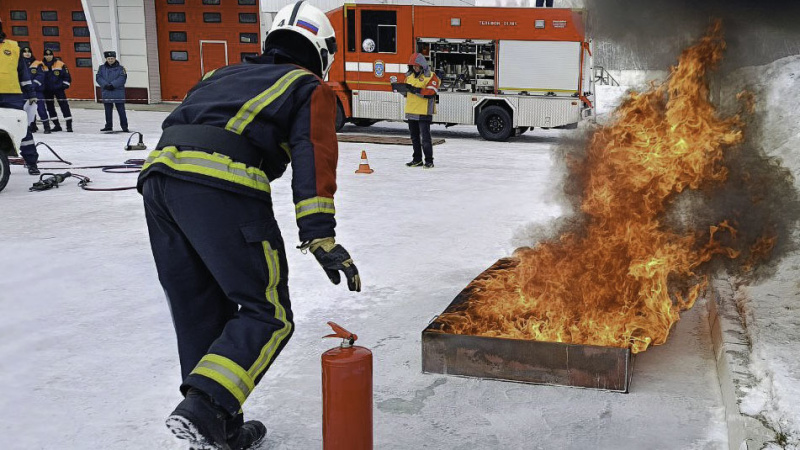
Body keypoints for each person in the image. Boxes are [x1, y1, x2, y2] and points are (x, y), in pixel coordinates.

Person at [137, 1, 360, 448]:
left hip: (158, 186)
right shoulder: (307, 85)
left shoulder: (218, 75)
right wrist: (319, 234)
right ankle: (204, 408)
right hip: (220, 185)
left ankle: (219, 427)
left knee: (200, 311)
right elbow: (313, 156)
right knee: (269, 314)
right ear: (322, 49)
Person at [0, 18, 40, 175]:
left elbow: (23, 73)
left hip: (12, 95)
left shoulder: (13, 47)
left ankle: (31, 162)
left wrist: (31, 94)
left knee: (21, 127)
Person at [403, 53, 440, 169]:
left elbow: (430, 92)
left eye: (417, 66)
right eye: (413, 66)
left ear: (422, 65)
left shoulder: (431, 76)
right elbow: (406, 93)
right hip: (411, 111)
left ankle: (429, 161)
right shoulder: (409, 77)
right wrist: (398, 88)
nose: (415, 68)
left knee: (425, 138)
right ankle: (417, 159)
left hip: (424, 112)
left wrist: (415, 89)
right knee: (414, 137)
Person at [41, 49, 73, 132]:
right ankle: (56, 125)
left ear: (52, 55)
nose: (48, 56)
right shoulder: (41, 65)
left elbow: (67, 76)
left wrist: (64, 86)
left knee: (64, 106)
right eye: (46, 55)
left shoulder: (60, 64)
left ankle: (69, 125)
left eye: (50, 55)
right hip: (47, 91)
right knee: (50, 108)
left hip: (59, 89)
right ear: (44, 56)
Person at [96, 51, 128, 132]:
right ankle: (108, 125)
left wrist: (113, 85)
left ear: (115, 58)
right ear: (106, 59)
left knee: (121, 111)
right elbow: (98, 77)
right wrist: (105, 85)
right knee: (107, 111)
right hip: (106, 91)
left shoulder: (121, 68)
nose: (110, 60)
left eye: (112, 58)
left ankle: (124, 126)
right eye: (109, 59)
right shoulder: (101, 68)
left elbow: (122, 78)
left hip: (118, 92)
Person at [22, 47, 51, 134]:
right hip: (24, 92)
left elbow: (40, 76)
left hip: (36, 91)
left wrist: (32, 86)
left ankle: (47, 127)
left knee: (41, 109)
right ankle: (31, 126)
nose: (27, 53)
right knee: (27, 110)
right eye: (25, 52)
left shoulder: (37, 63)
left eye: (29, 52)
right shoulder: (19, 63)